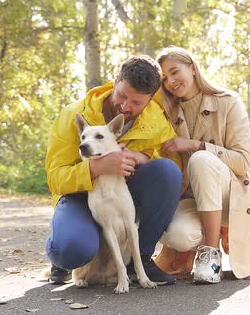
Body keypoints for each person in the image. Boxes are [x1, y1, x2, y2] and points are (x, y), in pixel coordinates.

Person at [44, 55, 183, 285]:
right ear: (116, 80)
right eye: (122, 95)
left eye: (137, 103)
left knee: (167, 172)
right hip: (80, 197)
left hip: (123, 192)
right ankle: (62, 256)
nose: (126, 106)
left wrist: (142, 157)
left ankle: (139, 261)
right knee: (72, 250)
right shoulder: (73, 115)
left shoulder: (156, 119)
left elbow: (176, 166)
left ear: (150, 99)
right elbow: (55, 178)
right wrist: (95, 167)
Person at [154, 46, 250, 284]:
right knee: (178, 235)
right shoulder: (165, 113)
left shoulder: (228, 102)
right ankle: (190, 250)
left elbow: (243, 162)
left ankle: (210, 256)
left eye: (175, 71)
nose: (171, 81)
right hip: (193, 197)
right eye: (164, 78)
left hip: (230, 195)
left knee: (201, 159)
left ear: (192, 68)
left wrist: (195, 144)